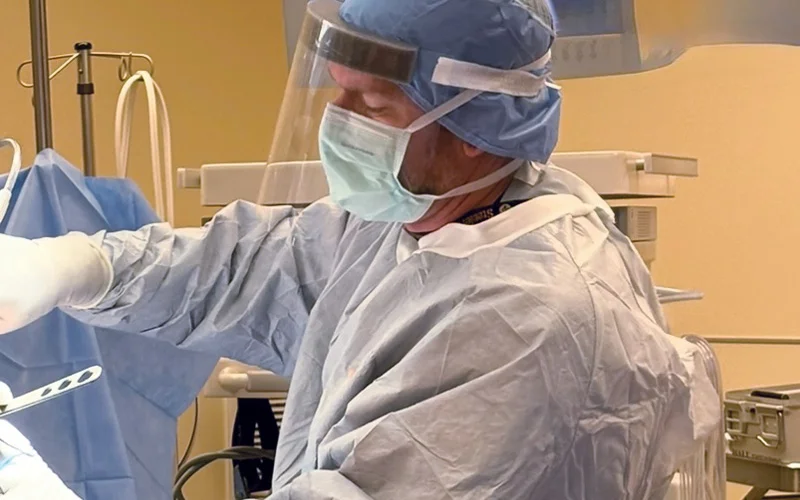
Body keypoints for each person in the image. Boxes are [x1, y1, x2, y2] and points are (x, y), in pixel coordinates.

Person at [0, 0, 720, 498]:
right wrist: (68, 267)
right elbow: (241, 268)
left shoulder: (527, 320)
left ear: (475, 129)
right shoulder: (406, 223)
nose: (338, 123)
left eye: (372, 106)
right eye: (337, 94)